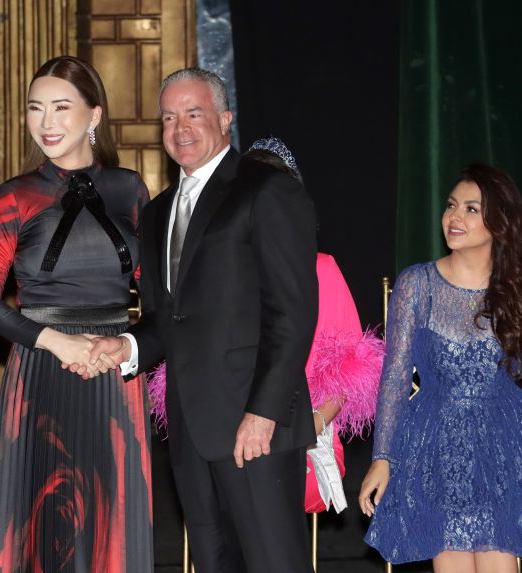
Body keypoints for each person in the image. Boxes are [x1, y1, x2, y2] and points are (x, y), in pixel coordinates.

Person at [79, 70, 318, 572]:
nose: (180, 128)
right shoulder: (159, 211)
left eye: (194, 114)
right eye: (169, 117)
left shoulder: (267, 191)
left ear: (225, 119)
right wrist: (127, 348)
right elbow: (168, 319)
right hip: (191, 430)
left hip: (257, 426)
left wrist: (264, 414)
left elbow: (292, 314)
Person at [0, 55, 153, 572]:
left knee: (112, 524)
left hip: (115, 373)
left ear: (94, 116)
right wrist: (56, 341)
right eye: (35, 109)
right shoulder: (17, 195)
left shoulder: (130, 189)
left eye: (61, 107)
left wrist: (120, 345)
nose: (46, 122)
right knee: (44, 525)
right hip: (41, 371)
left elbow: (162, 301)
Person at [144, 136, 385, 515]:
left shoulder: (320, 268)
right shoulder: (209, 272)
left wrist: (310, 424)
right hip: (218, 430)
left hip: (302, 436)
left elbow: (350, 372)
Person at [359, 164, 522, 571]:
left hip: (505, 451)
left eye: (472, 209)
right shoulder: (415, 285)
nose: (455, 217)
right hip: (437, 450)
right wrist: (382, 455)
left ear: (499, 222)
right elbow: (395, 378)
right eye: (452, 206)